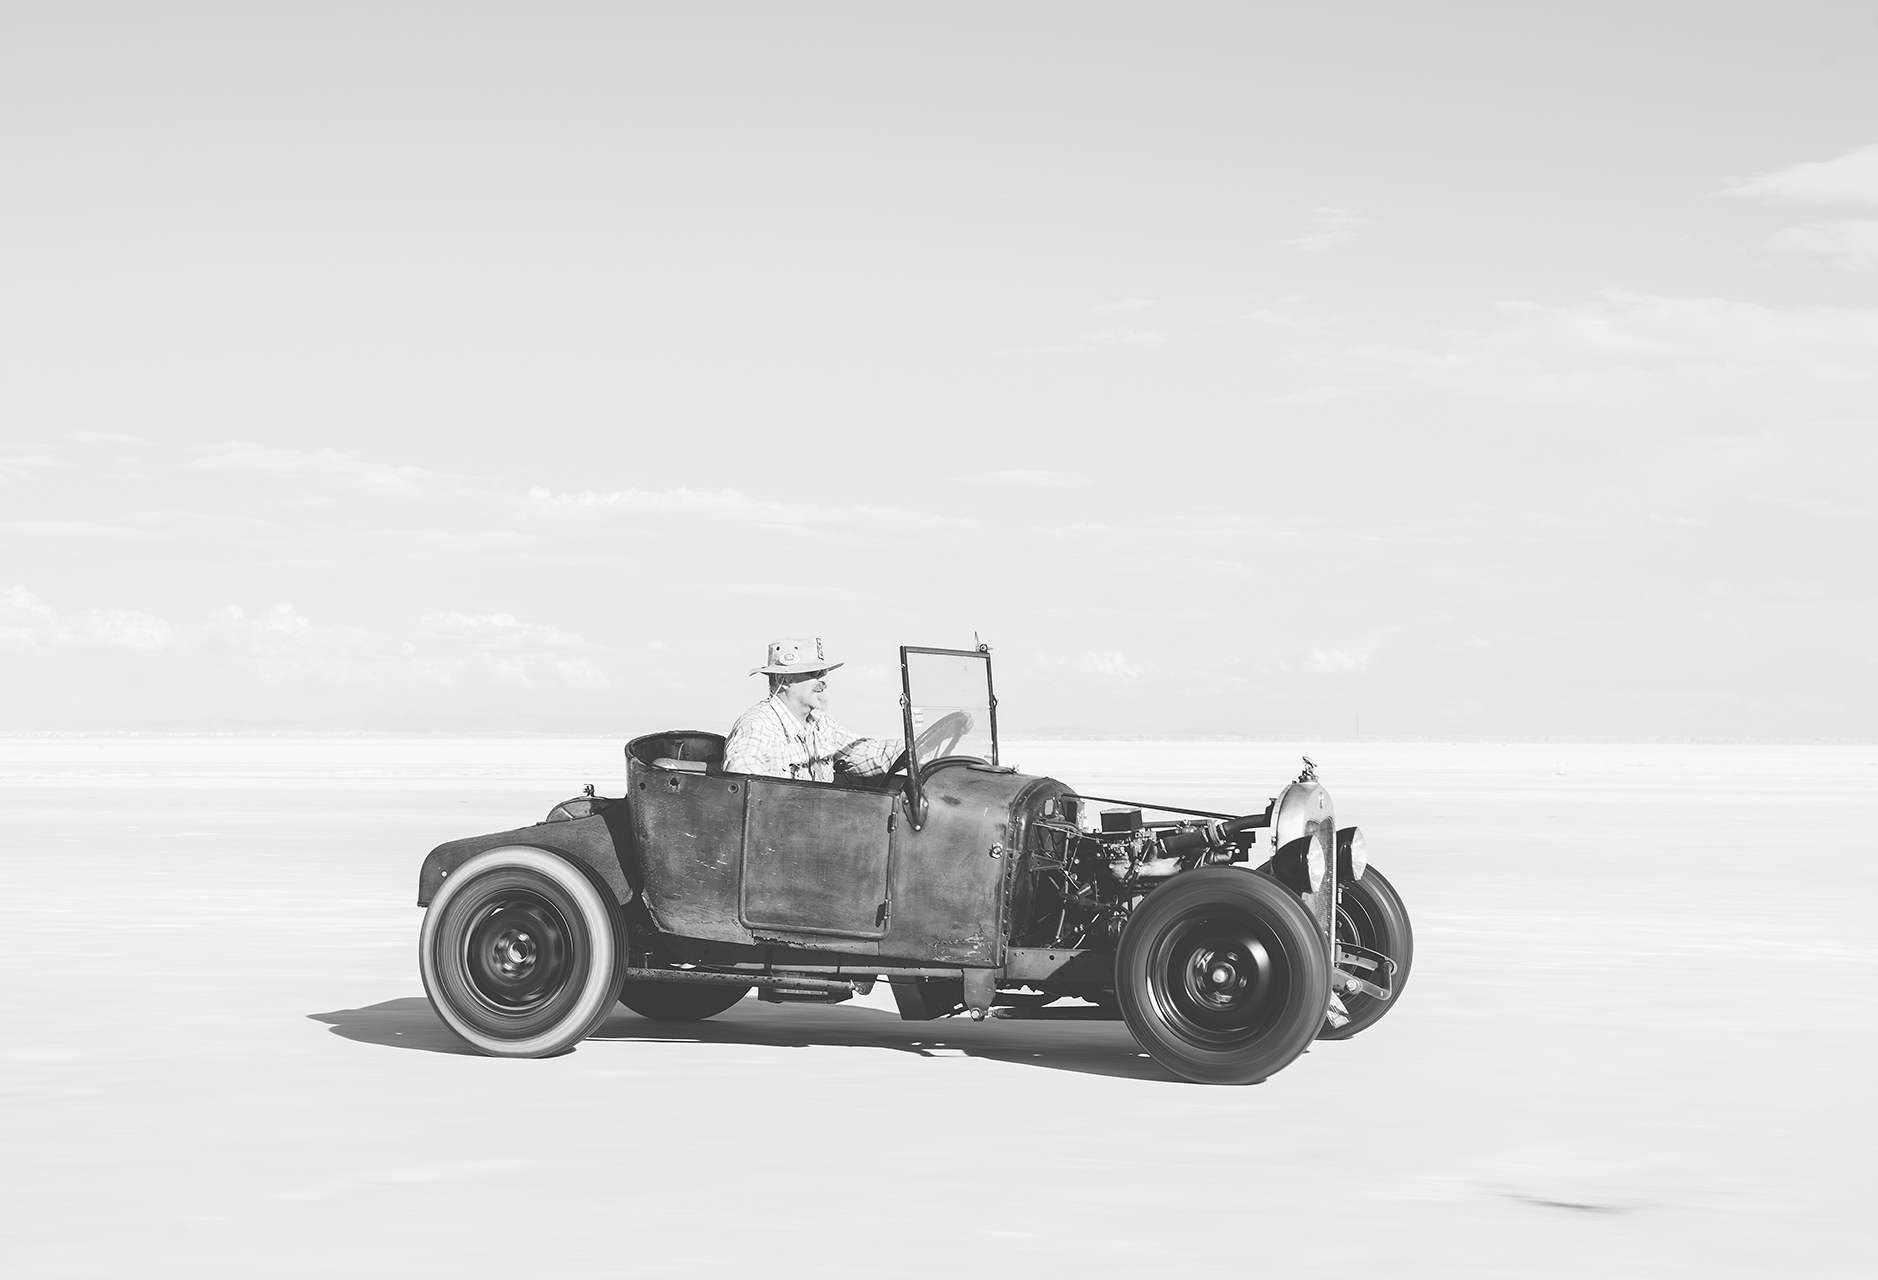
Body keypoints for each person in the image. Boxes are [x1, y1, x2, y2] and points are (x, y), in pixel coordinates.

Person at [722, 637, 903, 782]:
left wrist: (920, 749)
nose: (824, 681)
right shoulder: (758, 726)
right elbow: (741, 784)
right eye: (815, 674)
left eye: (824, 673)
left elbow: (864, 753)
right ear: (784, 680)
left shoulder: (820, 723)